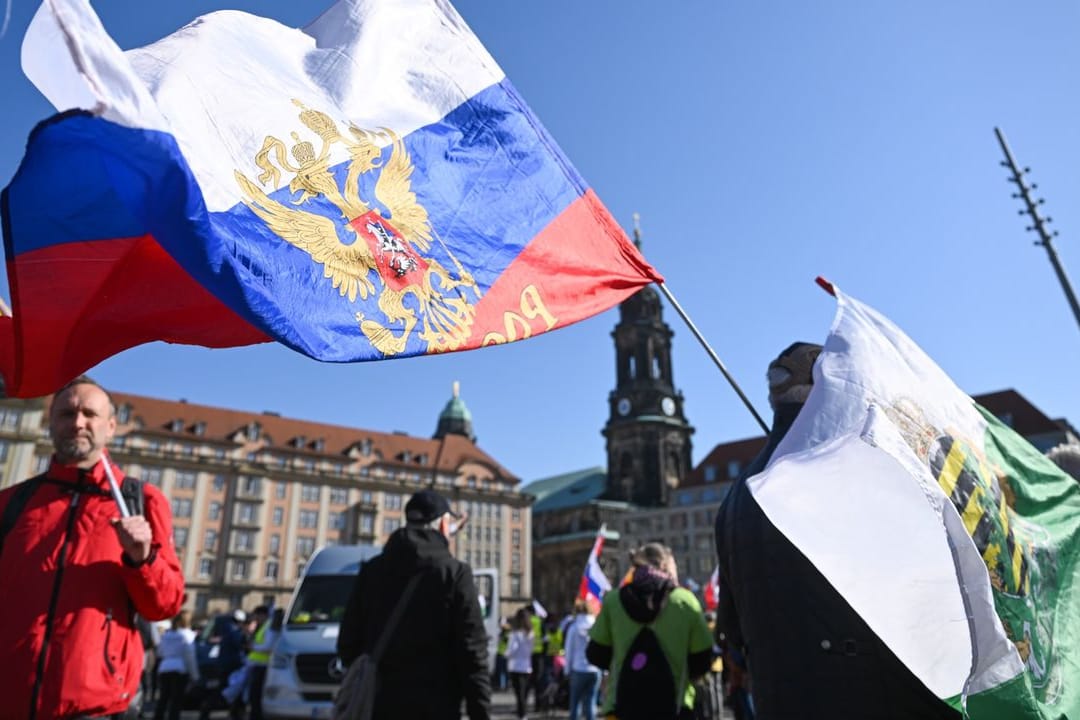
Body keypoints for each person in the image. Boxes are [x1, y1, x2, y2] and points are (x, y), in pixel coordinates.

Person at [714, 342, 961, 719]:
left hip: (780, 702)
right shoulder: (850, 462)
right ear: (829, 386)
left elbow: (731, 627)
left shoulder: (736, 497)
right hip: (871, 695)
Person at [0, 376, 185, 720]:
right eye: (66, 414)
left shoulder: (142, 501)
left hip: (94, 705)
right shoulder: (12, 503)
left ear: (111, 427)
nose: (78, 423)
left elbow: (166, 604)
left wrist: (142, 558)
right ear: (50, 423)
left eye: (89, 414)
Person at [337, 489, 491, 720]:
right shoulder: (455, 574)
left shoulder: (371, 570)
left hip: (380, 706)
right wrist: (480, 713)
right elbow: (472, 653)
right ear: (442, 525)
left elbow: (347, 643)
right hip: (437, 706)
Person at [586, 543, 713, 720]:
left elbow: (595, 654)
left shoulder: (613, 601)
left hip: (621, 706)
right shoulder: (685, 601)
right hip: (675, 707)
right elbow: (703, 660)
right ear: (665, 565)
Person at [154, 610, 200, 720]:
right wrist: (195, 675)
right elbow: (190, 657)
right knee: (176, 700)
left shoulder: (167, 635)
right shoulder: (188, 635)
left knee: (163, 698)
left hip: (165, 667)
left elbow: (160, 652)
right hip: (180, 668)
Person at [563, 598, 602, 720]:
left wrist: (566, 670)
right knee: (591, 703)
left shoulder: (574, 628)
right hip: (595, 670)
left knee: (575, 704)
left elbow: (569, 651)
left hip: (578, 668)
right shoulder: (596, 626)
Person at [244, 605, 273, 720]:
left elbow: (269, 646)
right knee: (253, 696)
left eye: (257, 616)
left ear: (263, 615)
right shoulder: (263, 626)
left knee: (256, 696)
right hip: (256, 666)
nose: (256, 619)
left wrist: (253, 647)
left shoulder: (268, 626)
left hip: (262, 667)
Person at [505, 609, 534, 720]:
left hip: (515, 666)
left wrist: (506, 654)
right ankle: (522, 712)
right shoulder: (530, 633)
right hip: (527, 666)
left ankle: (522, 714)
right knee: (524, 693)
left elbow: (512, 649)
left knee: (519, 694)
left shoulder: (515, 634)